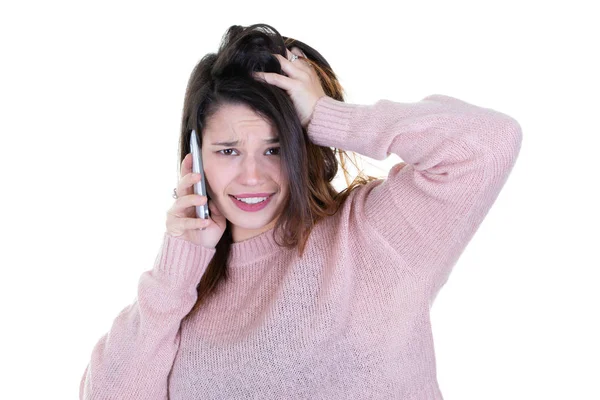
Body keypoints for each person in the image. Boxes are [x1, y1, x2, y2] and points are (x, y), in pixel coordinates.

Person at [79, 23, 522, 399]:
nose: (252, 176)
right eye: (229, 150)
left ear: (303, 144)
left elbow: (489, 141)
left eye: (274, 148)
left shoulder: (372, 233)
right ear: (195, 158)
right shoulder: (180, 295)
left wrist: (330, 116)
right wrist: (176, 268)